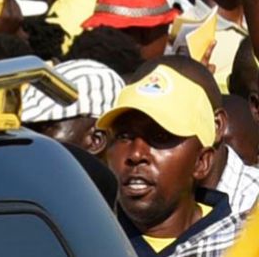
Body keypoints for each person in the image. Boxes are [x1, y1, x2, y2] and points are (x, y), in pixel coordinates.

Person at [101, 64, 241, 256]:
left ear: (202, 162)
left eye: (160, 138)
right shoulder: (81, 235)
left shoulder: (239, 245)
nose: (136, 155)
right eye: (124, 136)